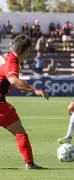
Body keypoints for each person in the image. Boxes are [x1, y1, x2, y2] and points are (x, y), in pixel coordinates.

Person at [0, 34, 49, 169]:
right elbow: (14, 81)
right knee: (20, 132)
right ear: (27, 51)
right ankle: (30, 164)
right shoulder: (12, 63)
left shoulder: (4, 57)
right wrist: (34, 90)